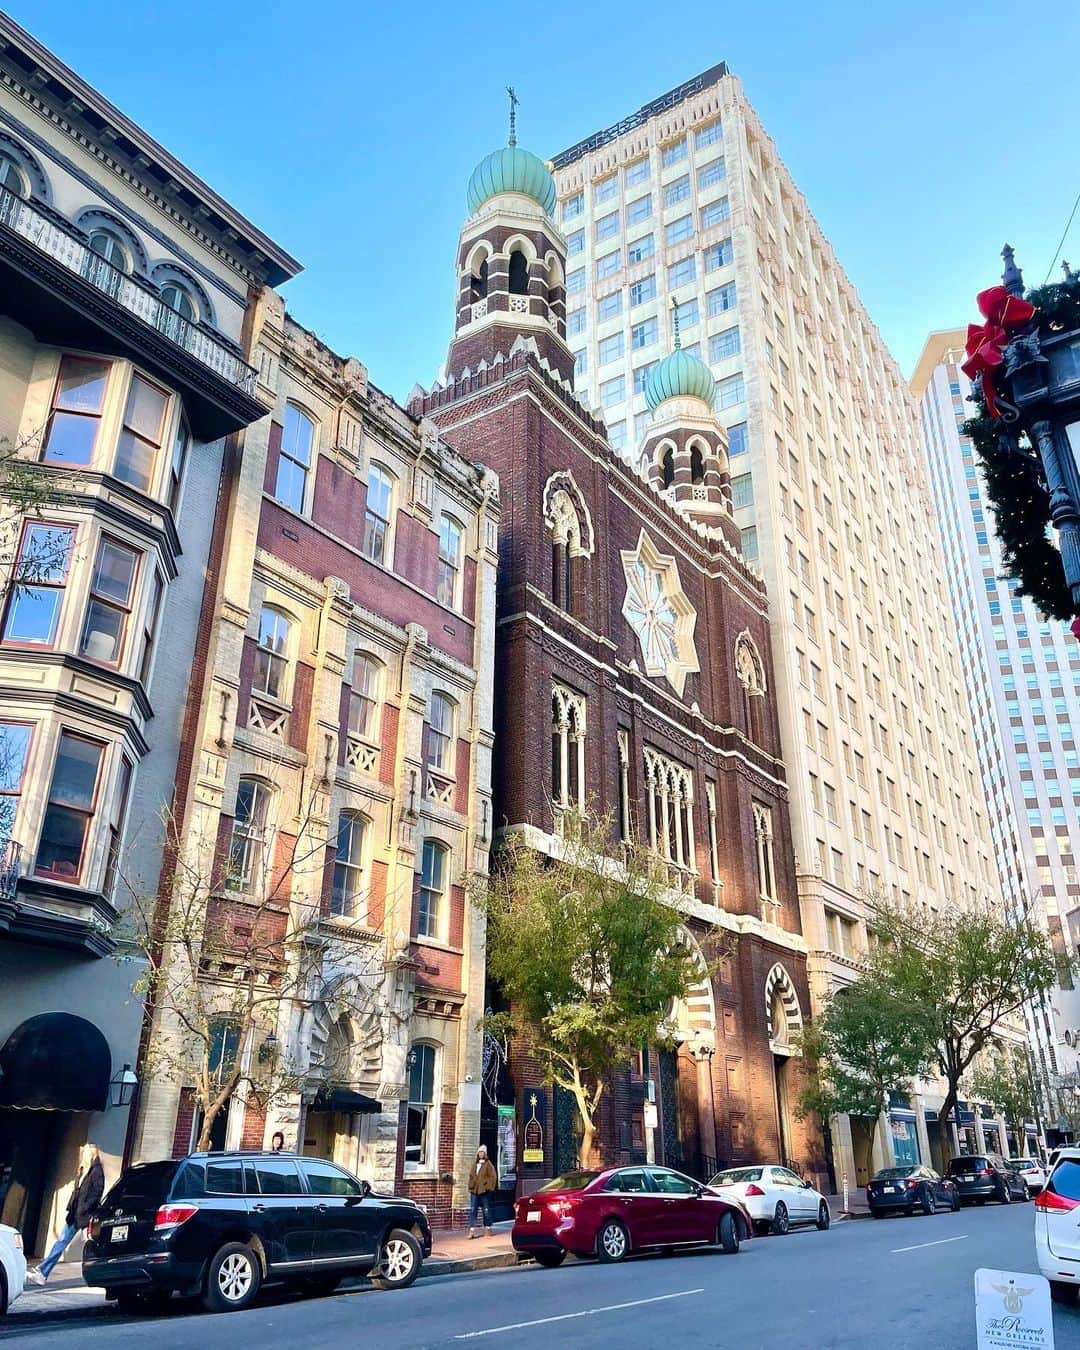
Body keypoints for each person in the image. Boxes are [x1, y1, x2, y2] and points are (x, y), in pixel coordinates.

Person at [27, 1143, 104, 1284]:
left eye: (86, 1153)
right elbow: (76, 1193)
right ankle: (43, 1272)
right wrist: (71, 1207)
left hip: (84, 1216)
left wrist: (85, 1208)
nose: (83, 1156)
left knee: (94, 1245)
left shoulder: (96, 1171)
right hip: (74, 1215)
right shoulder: (83, 1170)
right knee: (61, 1242)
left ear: (91, 1154)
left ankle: (101, 1273)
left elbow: (97, 1193)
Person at [467, 1145, 497, 1238]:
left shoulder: (488, 1164)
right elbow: (471, 1175)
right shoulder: (475, 1165)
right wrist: (471, 1184)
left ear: (485, 1154)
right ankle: (472, 1230)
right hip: (475, 1191)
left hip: (484, 1192)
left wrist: (487, 1186)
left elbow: (493, 1177)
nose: (481, 1154)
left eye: (482, 1152)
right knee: (473, 1210)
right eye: (479, 1152)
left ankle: (488, 1229)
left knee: (486, 1210)